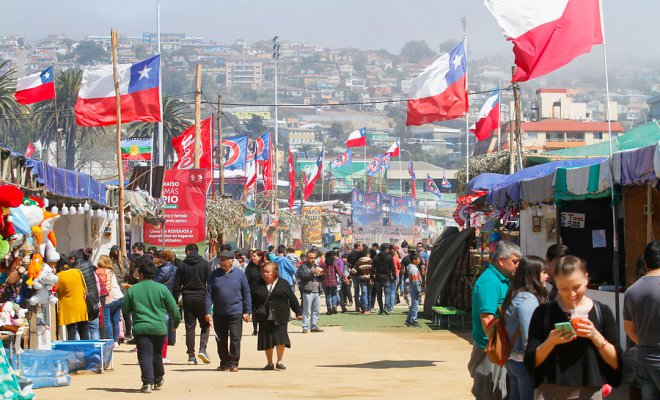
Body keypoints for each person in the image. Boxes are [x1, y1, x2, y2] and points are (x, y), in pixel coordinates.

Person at [525, 255, 622, 399]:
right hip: (549, 392)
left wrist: (595, 336)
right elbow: (532, 361)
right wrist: (551, 342)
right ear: (556, 284)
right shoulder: (543, 313)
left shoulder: (602, 312)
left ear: (586, 279)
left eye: (577, 287)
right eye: (564, 288)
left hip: (589, 392)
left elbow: (616, 362)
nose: (571, 294)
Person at [468, 241, 521, 400]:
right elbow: (487, 319)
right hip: (490, 349)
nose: (517, 266)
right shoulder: (490, 282)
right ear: (501, 261)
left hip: (497, 347)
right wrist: (499, 347)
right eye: (514, 261)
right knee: (491, 392)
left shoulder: (501, 279)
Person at [122, 256, 181, 393]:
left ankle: (147, 383)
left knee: (145, 355)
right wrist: (176, 323)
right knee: (157, 354)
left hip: (141, 328)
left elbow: (126, 309)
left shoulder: (132, 290)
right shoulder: (162, 289)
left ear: (141, 274)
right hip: (159, 328)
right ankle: (158, 380)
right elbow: (173, 308)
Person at [502, 256, 549, 400]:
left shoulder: (516, 294)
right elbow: (529, 336)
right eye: (543, 272)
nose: (547, 276)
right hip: (523, 363)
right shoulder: (527, 300)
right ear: (533, 274)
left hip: (514, 360)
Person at [624, 240, 660, 399]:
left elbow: (628, 328)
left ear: (645, 263)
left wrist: (644, 343)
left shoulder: (632, 291)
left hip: (643, 359)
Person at [204, 251, 251, 372]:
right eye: (221, 259)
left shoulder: (240, 275)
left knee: (235, 339)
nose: (222, 262)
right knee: (220, 339)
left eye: (224, 259)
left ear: (232, 260)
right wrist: (207, 311)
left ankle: (234, 363)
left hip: (235, 312)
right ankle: (224, 362)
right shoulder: (214, 275)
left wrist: (247, 311)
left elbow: (246, 293)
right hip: (219, 313)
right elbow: (209, 294)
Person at [251, 262, 301, 370]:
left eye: (267, 272)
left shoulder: (284, 284)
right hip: (264, 318)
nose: (265, 274)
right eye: (263, 271)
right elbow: (251, 300)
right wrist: (248, 312)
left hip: (281, 316)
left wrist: (298, 312)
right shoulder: (257, 285)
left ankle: (280, 361)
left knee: (281, 339)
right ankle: (270, 363)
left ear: (275, 272)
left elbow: (292, 299)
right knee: (267, 340)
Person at [173, 243, 212, 365]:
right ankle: (202, 349)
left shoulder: (182, 265)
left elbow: (176, 285)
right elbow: (210, 283)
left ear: (187, 252)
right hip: (202, 297)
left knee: (190, 327)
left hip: (187, 298)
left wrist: (175, 300)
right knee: (205, 325)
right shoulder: (205, 264)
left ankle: (191, 355)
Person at [69, 249, 101, 340]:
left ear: (73, 258)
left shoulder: (75, 270)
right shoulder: (89, 265)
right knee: (94, 328)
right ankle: (95, 351)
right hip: (93, 299)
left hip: (83, 300)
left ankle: (80, 349)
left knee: (80, 328)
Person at [56, 258, 89, 340]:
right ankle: (86, 349)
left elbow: (55, 289)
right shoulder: (77, 271)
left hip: (68, 307)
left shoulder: (59, 276)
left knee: (71, 331)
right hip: (81, 305)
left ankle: (72, 350)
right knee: (84, 330)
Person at [154, 250, 178, 363]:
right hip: (171, 294)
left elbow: (157, 282)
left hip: (162, 296)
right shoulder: (175, 268)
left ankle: (162, 353)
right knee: (169, 320)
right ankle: (171, 339)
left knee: (164, 321)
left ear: (163, 258)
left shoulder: (163, 269)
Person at [98, 255, 124, 347]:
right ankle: (116, 341)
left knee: (107, 320)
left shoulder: (100, 271)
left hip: (109, 298)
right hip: (119, 297)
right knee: (115, 320)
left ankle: (109, 339)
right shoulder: (111, 271)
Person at [296, 250, 323, 333]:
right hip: (308, 291)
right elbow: (301, 276)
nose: (313, 259)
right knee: (306, 310)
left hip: (317, 290)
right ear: (307, 258)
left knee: (316, 310)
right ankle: (305, 327)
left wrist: (322, 274)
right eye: (311, 258)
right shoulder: (303, 266)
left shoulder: (316, 265)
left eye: (314, 258)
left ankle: (314, 326)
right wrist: (312, 273)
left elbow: (321, 278)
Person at [371, 243, 395, 315]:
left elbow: (372, 268)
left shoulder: (376, 257)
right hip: (387, 277)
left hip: (378, 277)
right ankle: (386, 307)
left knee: (379, 294)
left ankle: (381, 309)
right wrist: (395, 277)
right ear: (386, 249)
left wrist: (372, 277)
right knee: (387, 293)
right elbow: (392, 268)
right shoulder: (389, 257)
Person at [404, 253, 422, 327]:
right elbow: (415, 281)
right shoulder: (414, 269)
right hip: (414, 289)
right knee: (415, 305)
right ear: (414, 260)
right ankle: (413, 321)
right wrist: (418, 290)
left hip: (412, 288)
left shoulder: (411, 267)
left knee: (413, 305)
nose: (419, 260)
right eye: (418, 259)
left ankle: (408, 320)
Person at [353, 247, 373, 314]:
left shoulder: (358, 261)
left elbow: (353, 271)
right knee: (369, 294)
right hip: (370, 280)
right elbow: (374, 271)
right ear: (368, 254)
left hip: (362, 280)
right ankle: (369, 308)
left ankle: (365, 309)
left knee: (364, 294)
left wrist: (348, 277)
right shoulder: (371, 261)